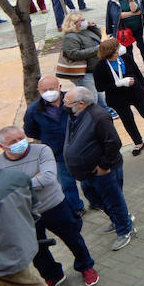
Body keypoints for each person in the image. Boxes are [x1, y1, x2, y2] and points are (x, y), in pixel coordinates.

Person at [0, 126, 97, 286]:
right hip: (24, 214)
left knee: (73, 238)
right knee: (36, 249)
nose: (20, 143)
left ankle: (86, 266)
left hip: (54, 205)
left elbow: (47, 177)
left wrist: (12, 186)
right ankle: (53, 275)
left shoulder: (41, 150)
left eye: (21, 138)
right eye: (13, 141)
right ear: (2, 147)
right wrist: (31, 180)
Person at [0, 162, 68, 286]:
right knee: (10, 279)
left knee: (21, 280)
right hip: (23, 239)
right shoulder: (16, 176)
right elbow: (34, 206)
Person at [62, 86, 136, 251]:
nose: (63, 104)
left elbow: (114, 143)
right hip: (87, 173)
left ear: (81, 103)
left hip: (104, 171)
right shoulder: (75, 114)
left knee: (113, 200)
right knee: (96, 200)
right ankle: (121, 219)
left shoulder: (99, 117)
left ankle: (125, 229)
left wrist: (103, 166)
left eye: (66, 102)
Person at [93, 36, 144, 155]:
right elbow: (100, 87)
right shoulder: (99, 67)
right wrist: (117, 84)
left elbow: (136, 72)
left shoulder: (125, 57)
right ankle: (138, 142)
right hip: (117, 98)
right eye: (116, 49)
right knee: (128, 121)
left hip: (136, 92)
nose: (119, 50)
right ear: (110, 53)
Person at [23, 77, 86, 218]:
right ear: (38, 91)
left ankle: (97, 201)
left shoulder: (72, 100)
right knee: (67, 184)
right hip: (57, 153)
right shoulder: (34, 110)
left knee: (89, 181)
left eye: (52, 88)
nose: (48, 92)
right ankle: (77, 208)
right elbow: (30, 131)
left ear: (59, 86)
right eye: (44, 90)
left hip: (81, 149)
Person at [105, 0, 144, 72]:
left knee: (143, 47)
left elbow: (138, 11)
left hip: (139, 27)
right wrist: (132, 14)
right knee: (127, 50)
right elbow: (117, 16)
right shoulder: (113, 1)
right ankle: (132, 68)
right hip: (123, 30)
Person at [60, 13, 103, 96]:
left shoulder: (85, 30)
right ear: (73, 23)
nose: (85, 21)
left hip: (94, 69)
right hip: (83, 73)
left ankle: (106, 109)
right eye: (82, 20)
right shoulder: (70, 37)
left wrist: (92, 27)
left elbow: (98, 37)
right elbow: (73, 54)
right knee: (91, 98)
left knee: (100, 97)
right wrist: (97, 49)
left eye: (84, 19)